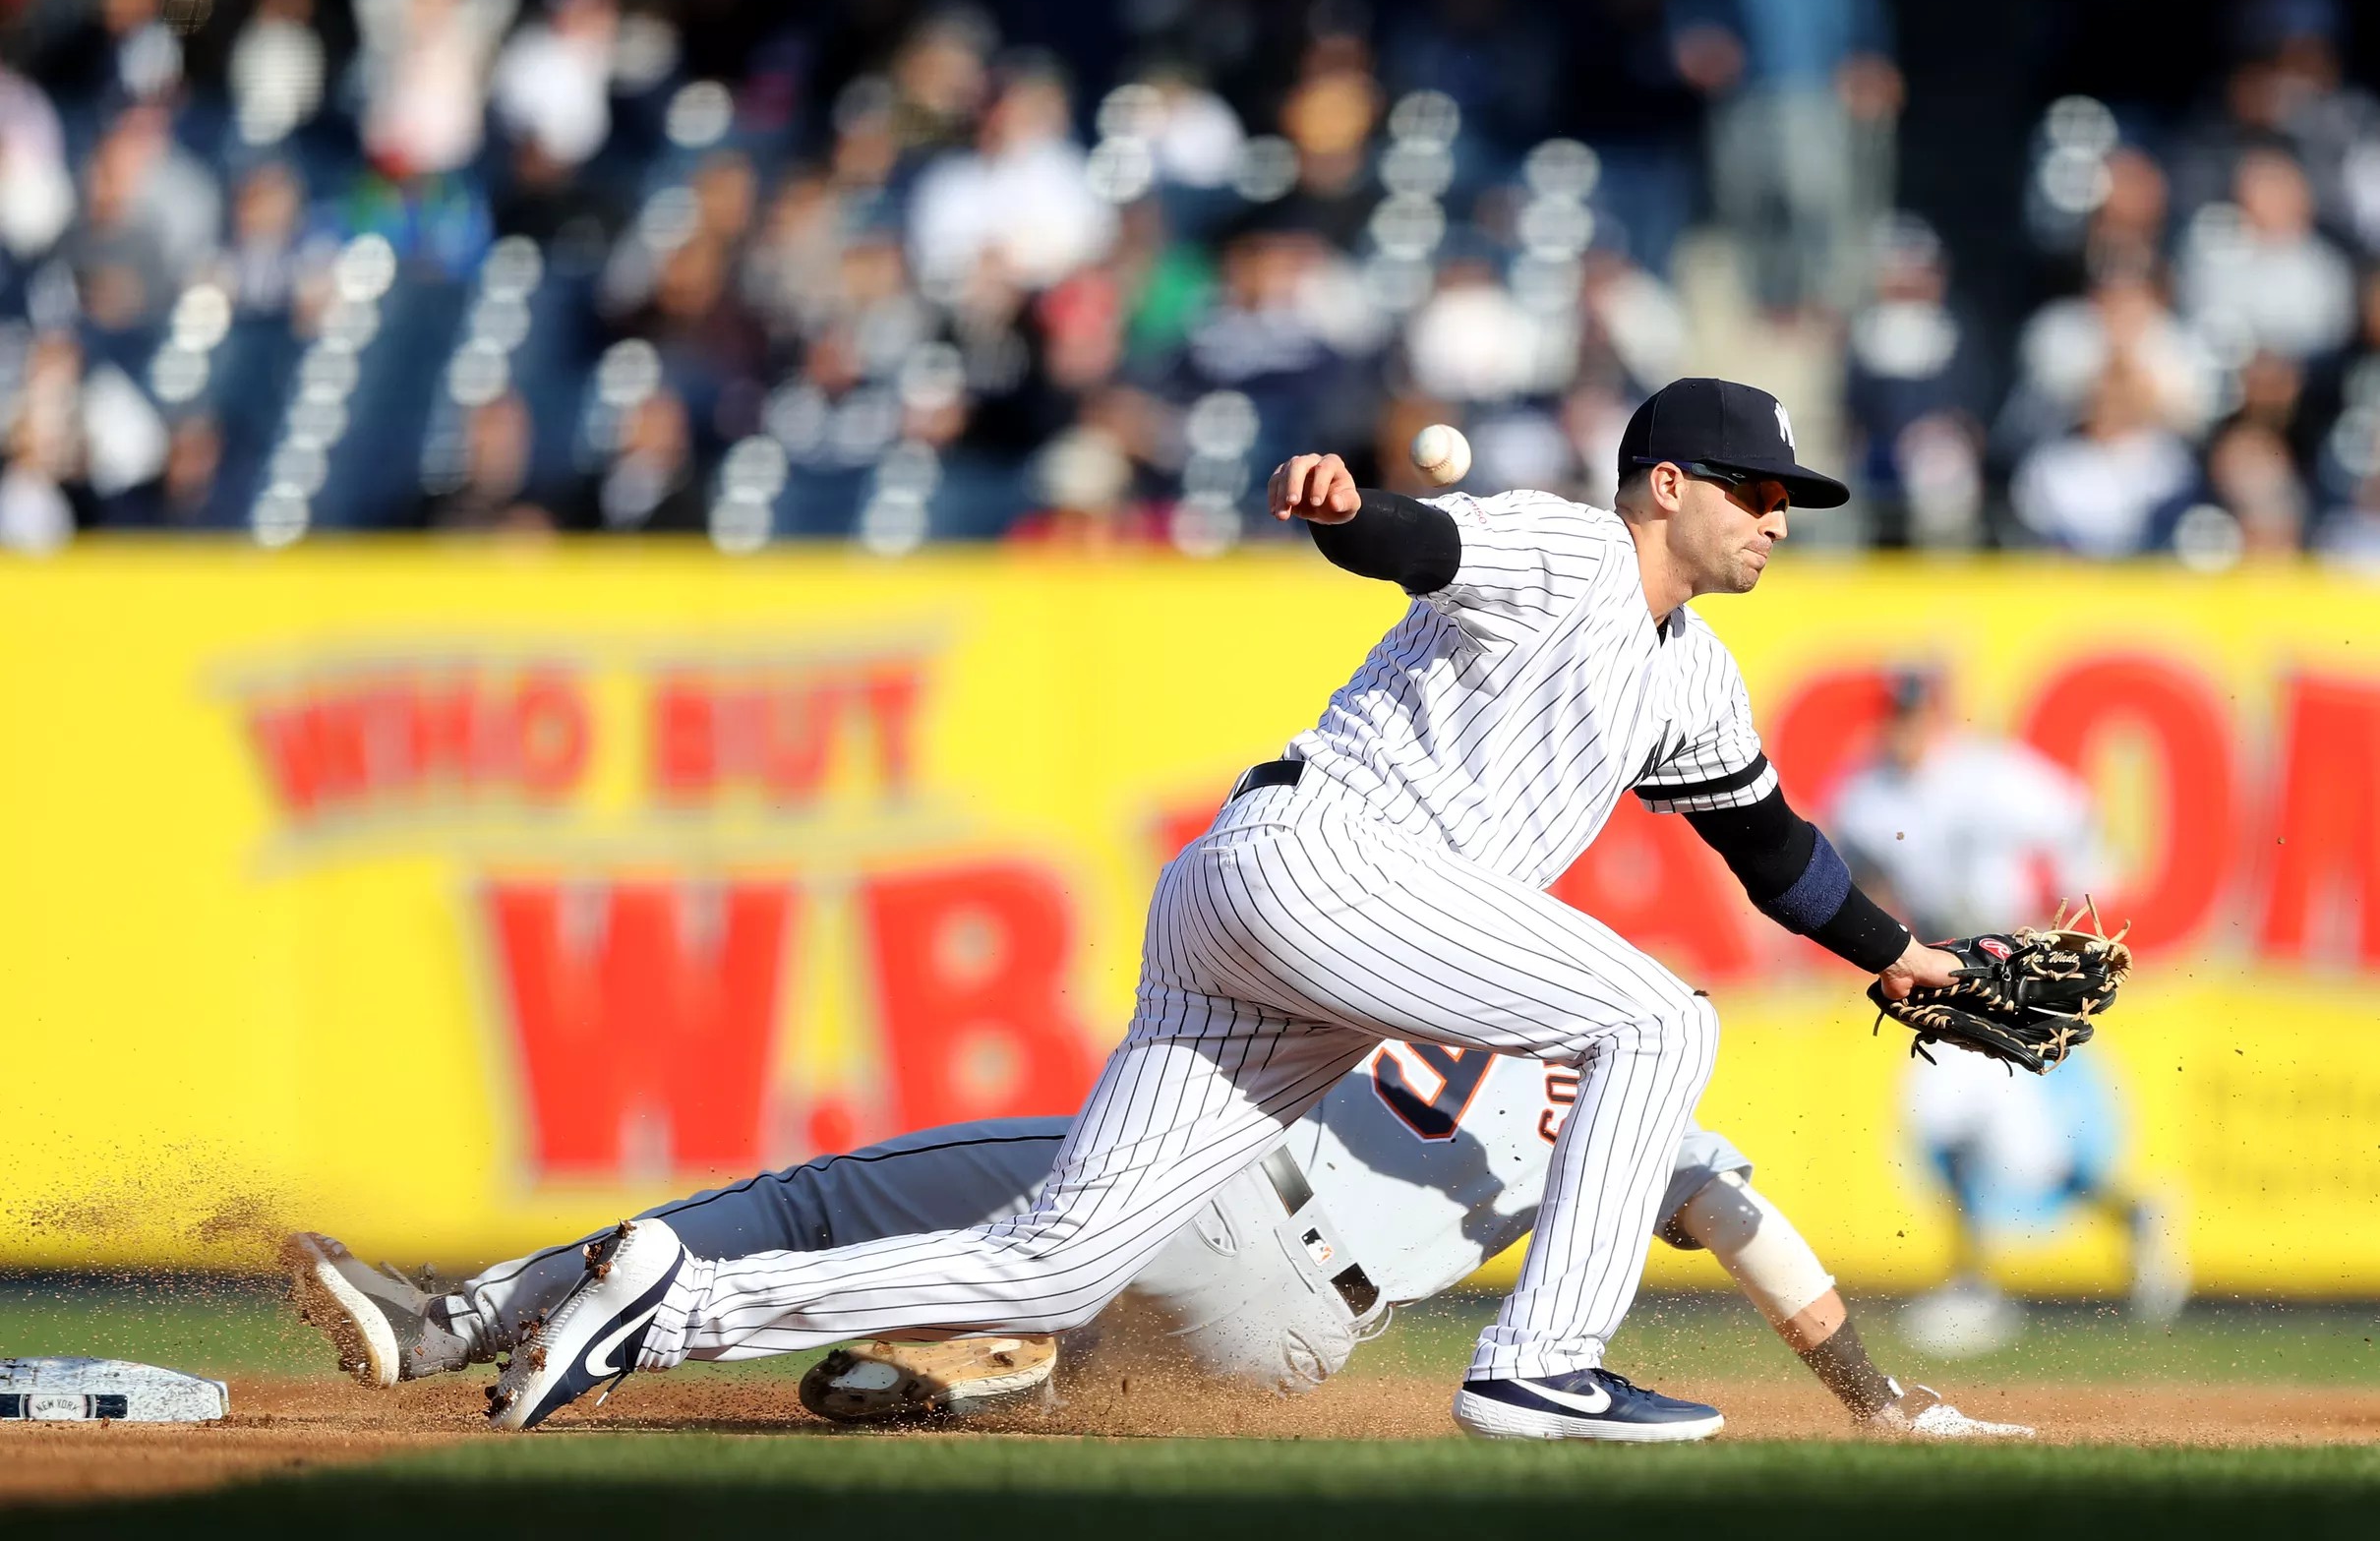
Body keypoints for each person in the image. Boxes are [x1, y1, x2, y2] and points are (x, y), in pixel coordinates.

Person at [470, 377, 1961, 1440]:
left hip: (1274, 925)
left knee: (1059, 1258)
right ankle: (1542, 1366)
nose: (1780, 517)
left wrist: (1908, 963)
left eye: (1792, 500)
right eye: (1760, 491)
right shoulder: (1571, 548)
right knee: (1655, 1019)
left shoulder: (1693, 669)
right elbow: (1415, 543)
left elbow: (1771, 850)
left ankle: (670, 1306)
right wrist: (1343, 507)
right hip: (1330, 862)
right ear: (1669, 487)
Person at [286, 1038, 2027, 1438]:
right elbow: (1774, 1258)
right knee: (1078, 1344)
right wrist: (1880, 1402)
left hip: (1213, 1196)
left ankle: (468, 1322)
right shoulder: (1672, 1108)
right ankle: (999, 1367)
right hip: (1287, 1342)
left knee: (826, 1200)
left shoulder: (1452, 947)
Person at [1831, 671, 2188, 1352]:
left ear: (1936, 715)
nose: (1905, 727)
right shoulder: (1866, 791)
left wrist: (2078, 912)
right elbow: (1856, 869)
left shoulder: (1985, 774)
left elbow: (2077, 816)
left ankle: (1979, 1285)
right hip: (1942, 963)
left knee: (1982, 1137)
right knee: (1983, 1139)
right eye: (1895, 714)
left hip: (2007, 963)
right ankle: (2124, 1217)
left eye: (1915, 712)